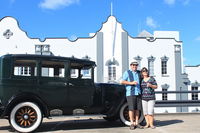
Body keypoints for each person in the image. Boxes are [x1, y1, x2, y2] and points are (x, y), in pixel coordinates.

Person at [121, 60, 143, 130]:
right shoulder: (127, 72)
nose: (134, 66)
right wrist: (131, 83)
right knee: (131, 109)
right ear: (131, 66)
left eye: (136, 65)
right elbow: (122, 81)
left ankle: (137, 122)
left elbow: (145, 77)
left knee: (138, 109)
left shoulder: (139, 73)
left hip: (139, 93)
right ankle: (132, 123)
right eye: (133, 65)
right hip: (130, 93)